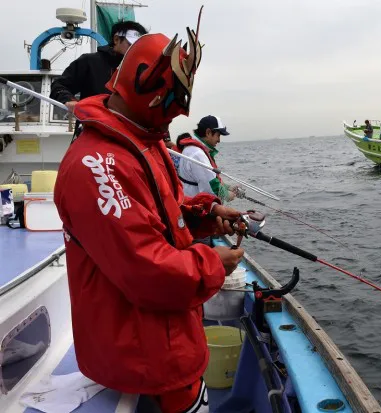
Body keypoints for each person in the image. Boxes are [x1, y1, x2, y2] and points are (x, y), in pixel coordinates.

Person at [54, 29, 244, 413]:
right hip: (143, 364)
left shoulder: (148, 141)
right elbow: (147, 271)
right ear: (147, 92)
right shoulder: (95, 166)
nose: (178, 114)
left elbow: (164, 214)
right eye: (173, 102)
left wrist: (205, 215)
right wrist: (213, 264)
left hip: (173, 351)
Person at [50, 21, 148, 113]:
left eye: (138, 46)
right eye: (130, 44)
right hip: (91, 126)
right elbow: (59, 85)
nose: (134, 49)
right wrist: (69, 100)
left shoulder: (141, 70)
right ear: (116, 39)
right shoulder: (89, 61)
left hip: (127, 129)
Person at [176, 116, 238, 203]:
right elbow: (210, 188)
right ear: (208, 132)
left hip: (190, 203)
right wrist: (228, 195)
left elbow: (210, 179)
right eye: (218, 135)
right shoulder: (198, 154)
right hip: (195, 209)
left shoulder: (191, 149)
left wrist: (228, 187)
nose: (219, 140)